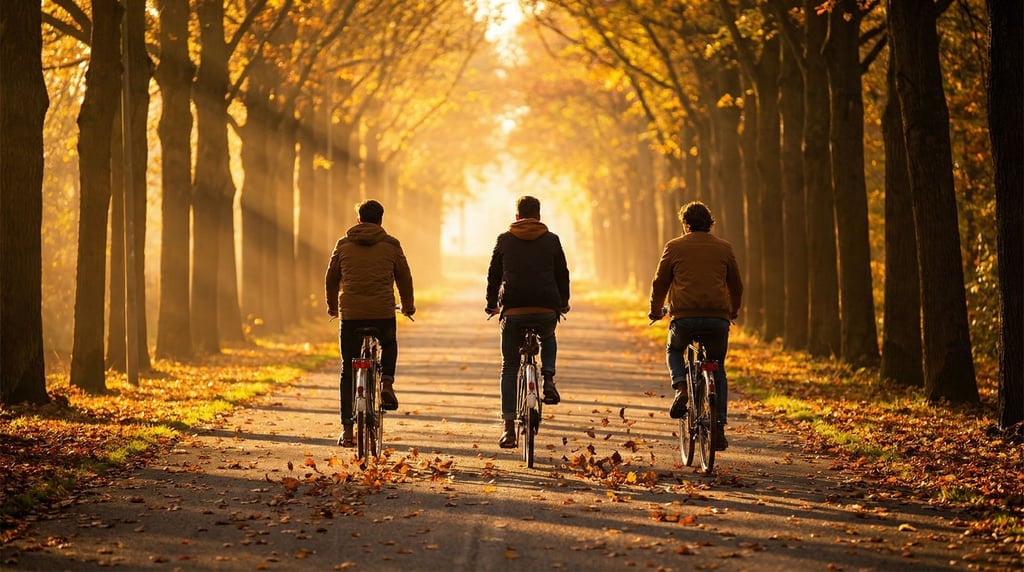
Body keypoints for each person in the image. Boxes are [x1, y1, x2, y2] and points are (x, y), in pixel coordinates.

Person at [648, 200, 743, 450]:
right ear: (710, 224)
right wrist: (732, 310)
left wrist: (656, 310)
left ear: (685, 224)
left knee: (674, 349)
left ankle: (681, 385)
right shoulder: (725, 248)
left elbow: (660, 283)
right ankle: (719, 428)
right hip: (717, 319)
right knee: (718, 368)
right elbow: (736, 284)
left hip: (685, 317)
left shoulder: (674, 246)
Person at [325, 199, 415, 447]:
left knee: (347, 369)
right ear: (381, 220)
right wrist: (407, 305)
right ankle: (386, 381)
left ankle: (347, 429)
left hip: (351, 314)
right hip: (382, 312)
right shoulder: (391, 244)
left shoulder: (343, 244)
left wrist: (333, 306)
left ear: (358, 220)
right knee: (388, 342)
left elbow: (331, 278)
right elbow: (404, 277)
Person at [485, 196, 571, 449]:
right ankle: (549, 379)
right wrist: (562, 302)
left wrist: (492, 304)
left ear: (517, 217)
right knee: (549, 335)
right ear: (539, 216)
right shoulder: (552, 240)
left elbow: (493, 275)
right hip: (545, 308)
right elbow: (562, 274)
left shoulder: (504, 239)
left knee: (509, 366)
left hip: (514, 310)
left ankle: (508, 428)